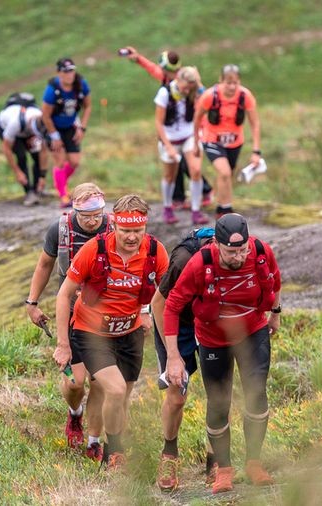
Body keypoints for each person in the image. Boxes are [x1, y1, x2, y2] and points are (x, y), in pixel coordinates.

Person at [161, 213, 281, 494]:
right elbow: (172, 306)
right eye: (231, 252)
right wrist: (173, 356)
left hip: (252, 331)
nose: (238, 257)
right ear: (216, 243)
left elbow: (275, 281)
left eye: (242, 250)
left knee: (256, 392)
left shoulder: (260, 251)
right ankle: (224, 469)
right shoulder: (199, 263)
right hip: (213, 338)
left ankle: (254, 462)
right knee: (218, 402)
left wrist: (275, 314)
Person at [54, 194, 168, 470]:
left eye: (137, 230)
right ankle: (113, 453)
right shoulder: (94, 249)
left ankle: (104, 446)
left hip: (129, 333)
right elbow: (64, 294)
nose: (132, 237)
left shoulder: (155, 251)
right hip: (91, 332)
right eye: (125, 230)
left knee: (122, 397)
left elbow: (169, 297)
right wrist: (63, 344)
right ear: (114, 225)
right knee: (113, 390)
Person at [26, 183, 112, 461]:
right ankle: (75, 413)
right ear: (75, 211)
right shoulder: (60, 230)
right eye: (86, 216)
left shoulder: (114, 228)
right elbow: (44, 265)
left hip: (107, 315)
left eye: (97, 215)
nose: (93, 221)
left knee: (100, 382)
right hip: (73, 314)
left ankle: (94, 441)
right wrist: (32, 303)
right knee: (76, 383)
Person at [150, 227, 217, 491]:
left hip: (211, 320)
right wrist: (172, 354)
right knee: (177, 395)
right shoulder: (183, 260)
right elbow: (158, 303)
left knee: (218, 391)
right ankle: (169, 454)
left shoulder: (240, 255)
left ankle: (215, 460)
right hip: (177, 321)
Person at [122, 47, 213, 208]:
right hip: (174, 132)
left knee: (188, 164)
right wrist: (138, 58)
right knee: (175, 164)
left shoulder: (186, 80)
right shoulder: (167, 78)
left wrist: (198, 83)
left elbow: (205, 96)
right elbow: (153, 69)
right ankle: (178, 198)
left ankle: (203, 191)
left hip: (192, 129)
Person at [193, 64, 262, 218]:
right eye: (228, 83)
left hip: (235, 142)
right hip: (212, 140)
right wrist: (195, 142)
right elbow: (197, 118)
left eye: (235, 83)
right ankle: (226, 211)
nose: (232, 87)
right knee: (224, 172)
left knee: (226, 175)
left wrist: (256, 151)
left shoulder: (245, 96)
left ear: (239, 81)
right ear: (221, 80)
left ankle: (222, 206)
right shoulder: (210, 96)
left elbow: (255, 123)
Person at [155, 66, 209, 225]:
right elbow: (158, 123)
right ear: (177, 80)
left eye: (189, 88)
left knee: (196, 170)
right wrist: (168, 146)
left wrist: (197, 81)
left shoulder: (194, 91)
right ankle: (167, 207)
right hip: (169, 138)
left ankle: (196, 210)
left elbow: (207, 96)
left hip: (189, 136)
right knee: (170, 175)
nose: (186, 91)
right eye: (185, 87)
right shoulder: (165, 93)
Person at [42, 58, 92, 208]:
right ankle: (63, 196)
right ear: (59, 73)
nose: (69, 74)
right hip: (52, 127)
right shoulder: (52, 90)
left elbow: (88, 106)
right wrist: (54, 136)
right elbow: (45, 115)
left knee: (74, 162)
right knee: (60, 160)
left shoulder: (81, 85)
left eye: (71, 70)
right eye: (66, 71)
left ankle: (60, 182)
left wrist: (82, 127)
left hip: (70, 126)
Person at [0, 93, 47, 205]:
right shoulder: (15, 123)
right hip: (6, 128)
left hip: (26, 129)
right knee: (21, 156)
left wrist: (43, 176)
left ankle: (37, 189)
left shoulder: (43, 121)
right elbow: (7, 149)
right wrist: (17, 172)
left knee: (36, 155)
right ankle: (28, 192)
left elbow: (43, 151)